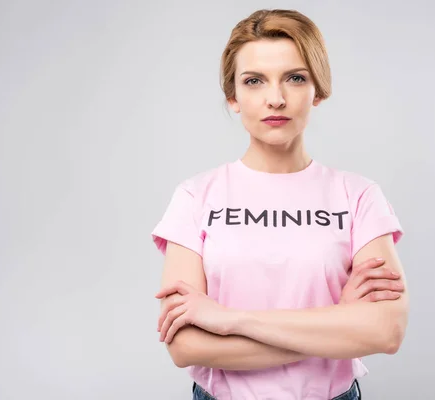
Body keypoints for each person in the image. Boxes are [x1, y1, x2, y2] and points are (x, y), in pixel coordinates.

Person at [151, 9, 409, 400]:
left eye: (295, 78)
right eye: (254, 81)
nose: (275, 98)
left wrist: (228, 319)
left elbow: (385, 332)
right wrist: (338, 323)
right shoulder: (195, 197)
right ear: (233, 97)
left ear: (317, 91)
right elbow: (186, 346)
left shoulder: (358, 196)